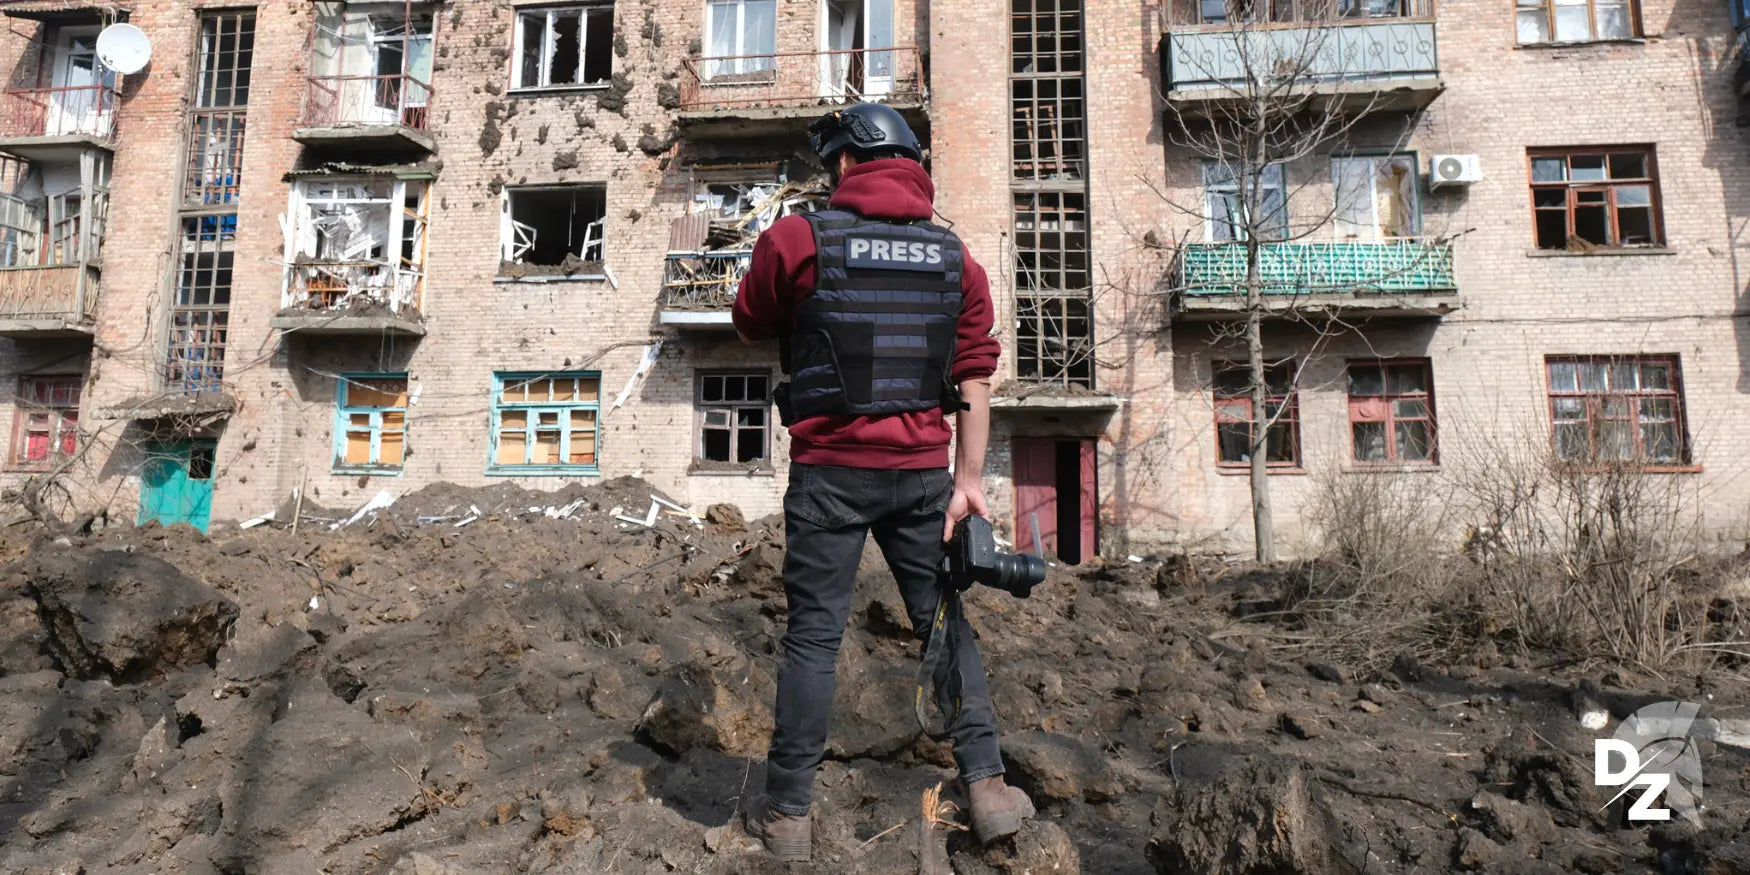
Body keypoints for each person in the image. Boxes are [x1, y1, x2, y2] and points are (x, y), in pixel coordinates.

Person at [730, 103, 1035, 863]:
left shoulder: (798, 239)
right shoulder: (956, 258)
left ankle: (790, 814)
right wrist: (968, 482)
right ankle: (989, 788)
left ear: (843, 166)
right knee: (944, 627)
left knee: (813, 639)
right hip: (921, 478)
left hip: (829, 475)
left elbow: (747, 319)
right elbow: (974, 373)